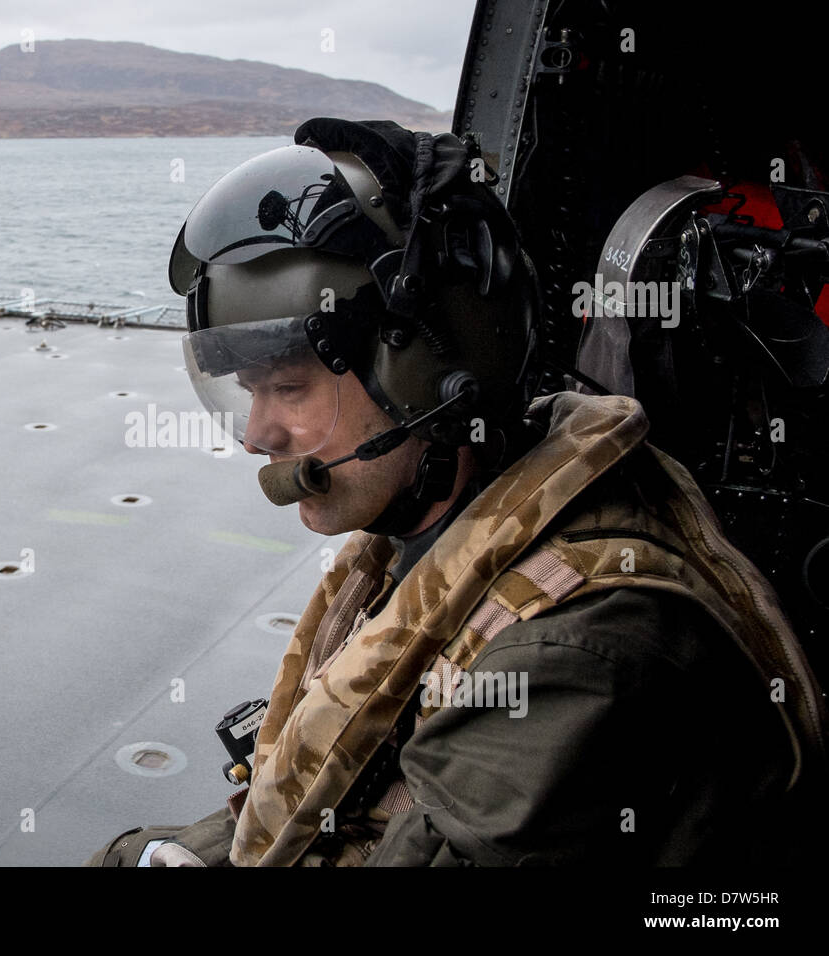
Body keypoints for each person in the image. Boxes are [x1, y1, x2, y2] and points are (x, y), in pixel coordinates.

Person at [85, 117, 826, 867]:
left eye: (287, 387)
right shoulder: (421, 537)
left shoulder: (572, 657)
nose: (258, 435)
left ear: (426, 377)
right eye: (250, 391)